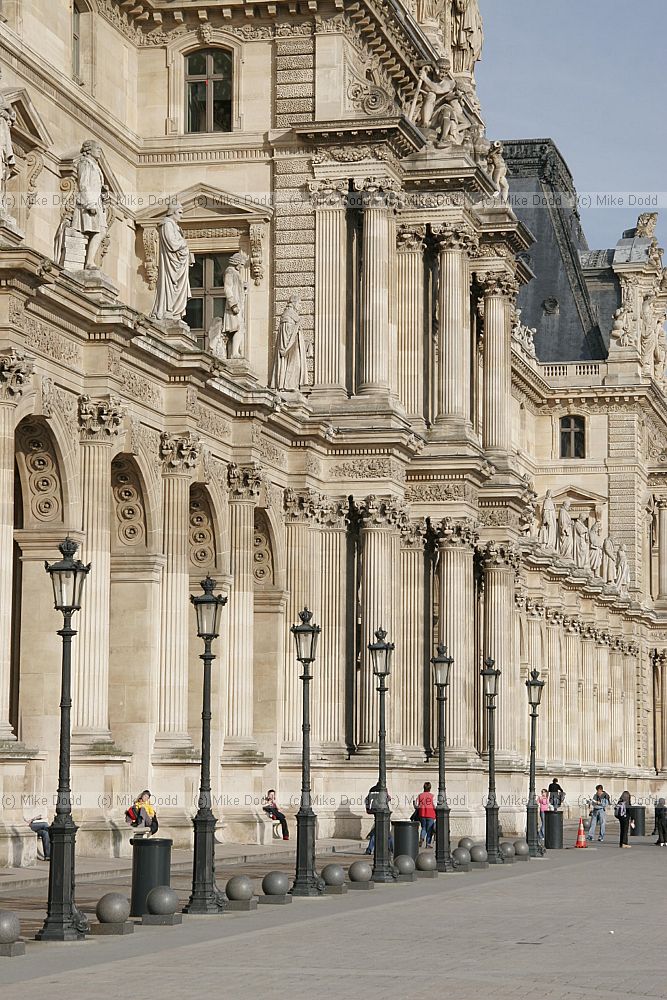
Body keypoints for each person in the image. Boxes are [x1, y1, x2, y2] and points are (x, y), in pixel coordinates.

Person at [151, 201, 192, 323]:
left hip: (178, 264)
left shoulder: (174, 226)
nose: (181, 216)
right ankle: (169, 311)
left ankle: (175, 313)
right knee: (171, 287)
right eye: (180, 212)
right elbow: (172, 244)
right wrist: (184, 243)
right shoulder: (167, 224)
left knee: (177, 288)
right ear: (172, 212)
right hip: (172, 265)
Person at [364, 782, 394, 855]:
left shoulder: (373, 790)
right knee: (386, 834)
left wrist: (368, 809)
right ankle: (392, 849)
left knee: (376, 833)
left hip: (377, 813)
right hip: (384, 814)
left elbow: (367, 799)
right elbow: (389, 798)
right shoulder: (383, 790)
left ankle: (369, 849)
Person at [414, 781, 436, 848]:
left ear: (423, 787)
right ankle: (428, 844)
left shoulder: (420, 795)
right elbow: (435, 805)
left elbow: (416, 805)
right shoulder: (432, 796)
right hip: (431, 814)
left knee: (423, 827)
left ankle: (422, 838)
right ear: (430, 788)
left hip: (422, 814)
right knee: (429, 829)